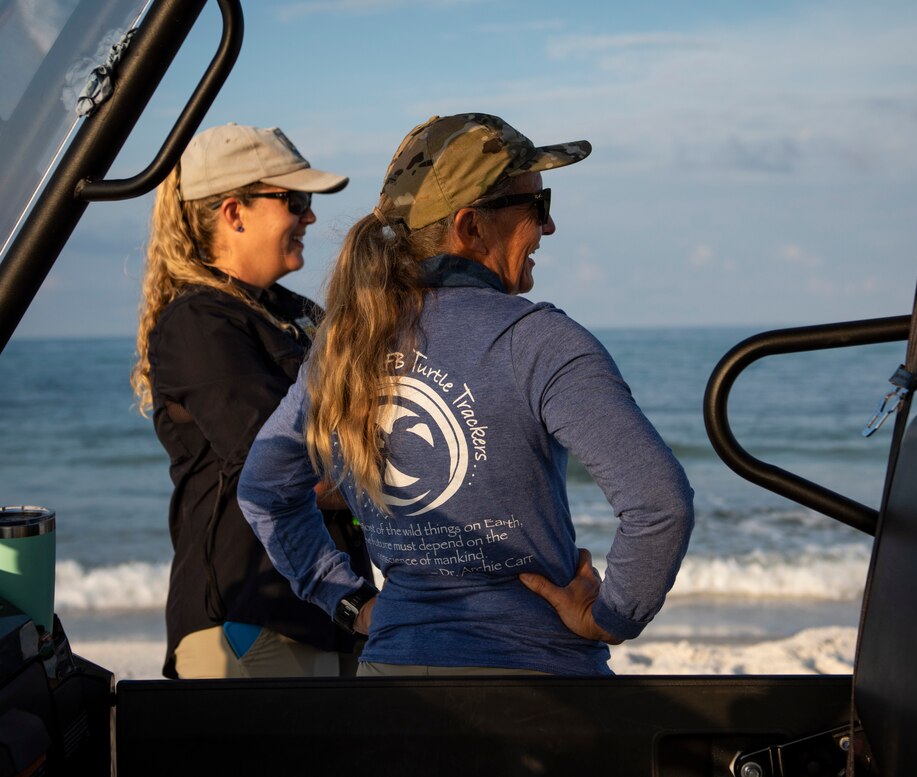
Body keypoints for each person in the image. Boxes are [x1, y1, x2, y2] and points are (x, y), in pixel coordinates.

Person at [238, 113, 694, 676]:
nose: (547, 228)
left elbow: (264, 489)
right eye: (537, 205)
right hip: (541, 684)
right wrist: (611, 616)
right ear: (471, 227)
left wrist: (346, 600)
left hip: (395, 683)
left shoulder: (345, 345)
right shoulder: (536, 339)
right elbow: (658, 502)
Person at [131, 123, 374, 679]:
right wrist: (412, 481)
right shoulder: (200, 322)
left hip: (322, 616)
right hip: (251, 626)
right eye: (294, 200)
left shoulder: (288, 313)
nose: (309, 217)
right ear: (234, 213)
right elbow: (284, 473)